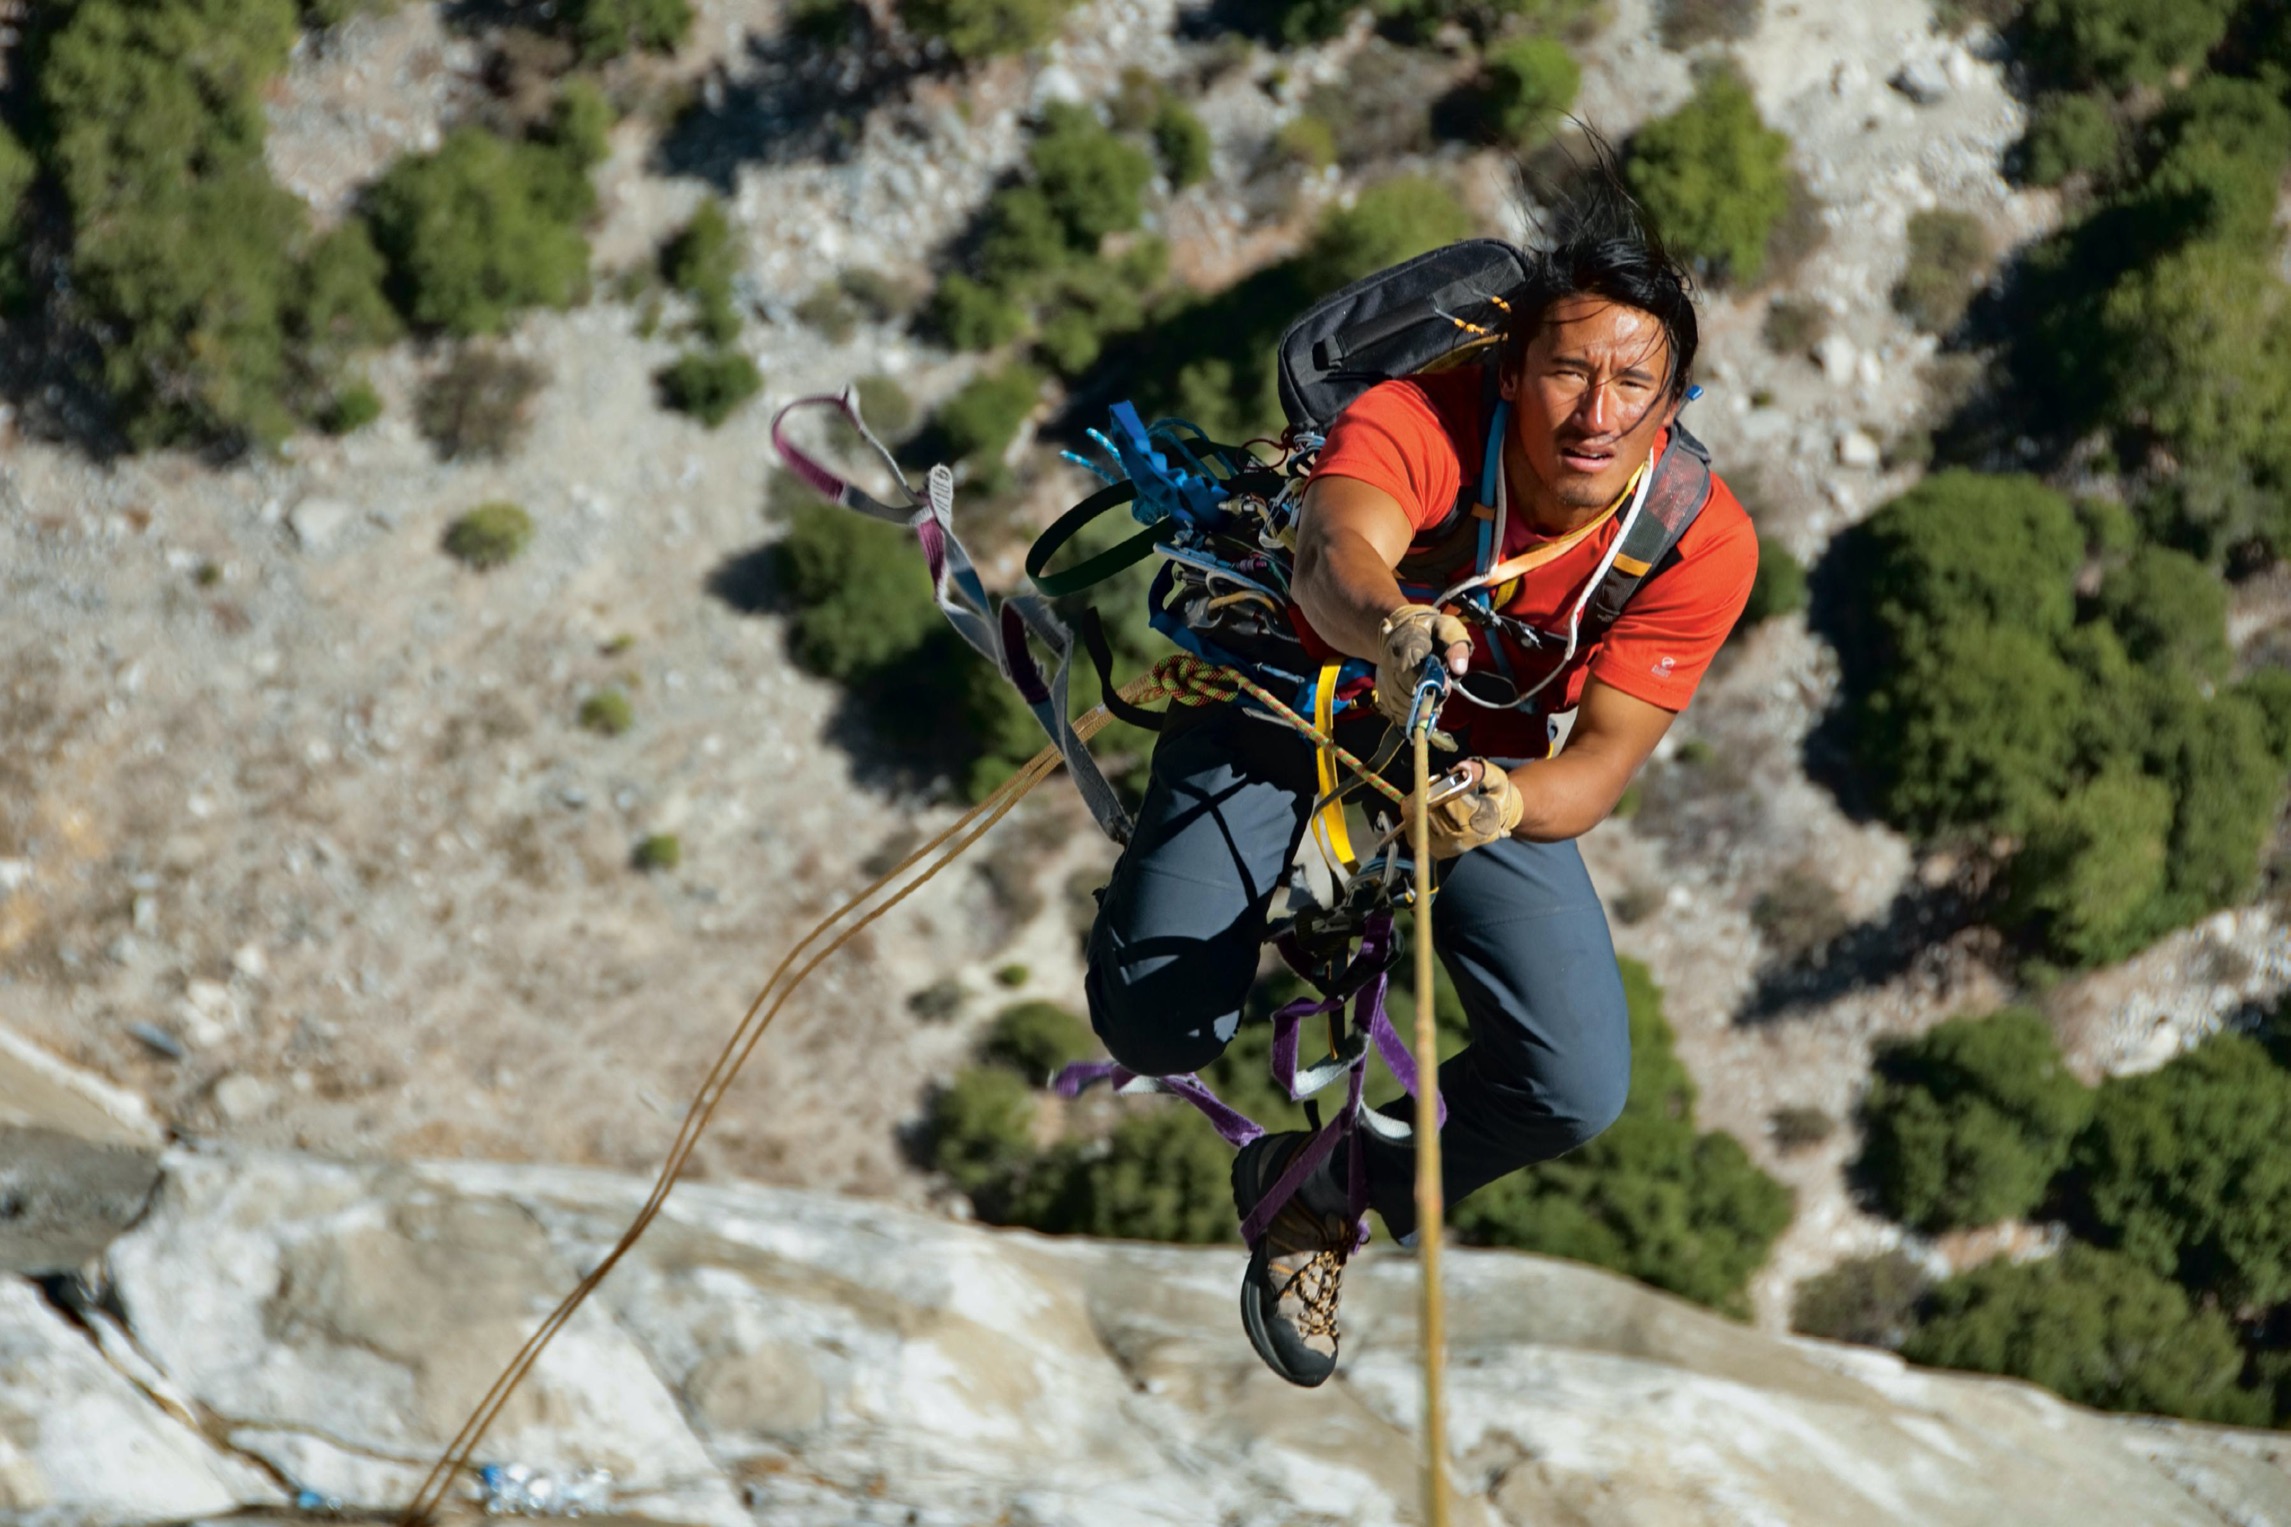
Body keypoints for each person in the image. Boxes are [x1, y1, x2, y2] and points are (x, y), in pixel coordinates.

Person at [1082, 172, 1759, 1388]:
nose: (1594, 412)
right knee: (1155, 1019)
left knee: (1571, 1085)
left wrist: (1503, 805)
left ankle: (1315, 1194)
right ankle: (1180, 895)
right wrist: (1391, 629)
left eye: (1631, 384)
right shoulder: (1420, 417)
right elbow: (1334, 553)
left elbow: (1595, 768)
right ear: (1510, 369)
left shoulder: (1694, 539)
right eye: (1566, 373)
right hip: (1293, 693)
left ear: (1671, 399)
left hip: (1472, 768)